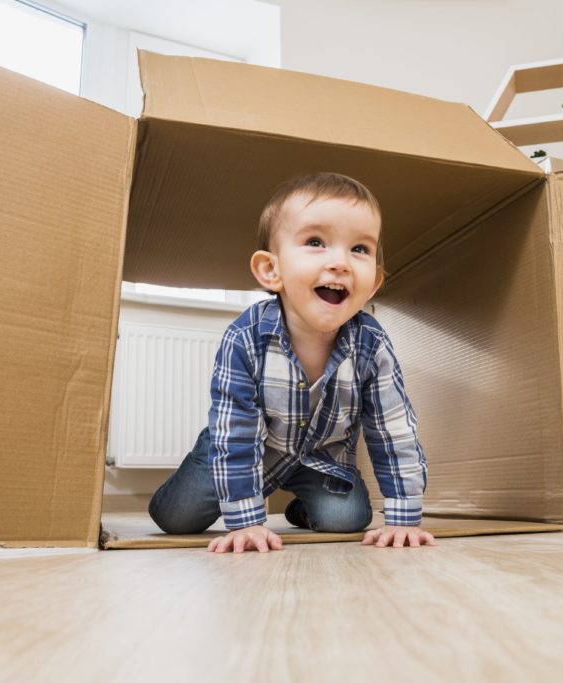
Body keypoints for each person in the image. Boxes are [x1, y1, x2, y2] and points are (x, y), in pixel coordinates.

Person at [148, 172, 436, 553]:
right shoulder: (245, 337)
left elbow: (392, 430)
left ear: (375, 282)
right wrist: (245, 523)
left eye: (360, 249)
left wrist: (404, 519)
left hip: (321, 460)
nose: (341, 263)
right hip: (248, 448)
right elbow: (237, 432)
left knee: (346, 521)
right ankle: (208, 474)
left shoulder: (372, 343)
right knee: (176, 520)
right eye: (316, 242)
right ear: (272, 270)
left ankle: (301, 509)